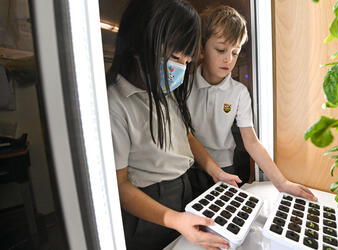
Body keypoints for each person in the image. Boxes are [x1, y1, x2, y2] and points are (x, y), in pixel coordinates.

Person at [106, 1, 241, 249]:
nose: (179, 70)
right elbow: (120, 186)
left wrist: (214, 170)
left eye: (186, 62)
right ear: (140, 41)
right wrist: (175, 219)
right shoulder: (116, 104)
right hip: (148, 206)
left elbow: (187, 137)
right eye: (175, 57)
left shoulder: (165, 92)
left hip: (185, 189)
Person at [187, 5, 317, 201]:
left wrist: (282, 182)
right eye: (221, 50)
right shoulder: (184, 86)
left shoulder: (238, 93)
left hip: (225, 168)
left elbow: (252, 142)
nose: (228, 59)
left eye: (235, 52)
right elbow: (184, 135)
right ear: (202, 49)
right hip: (190, 168)